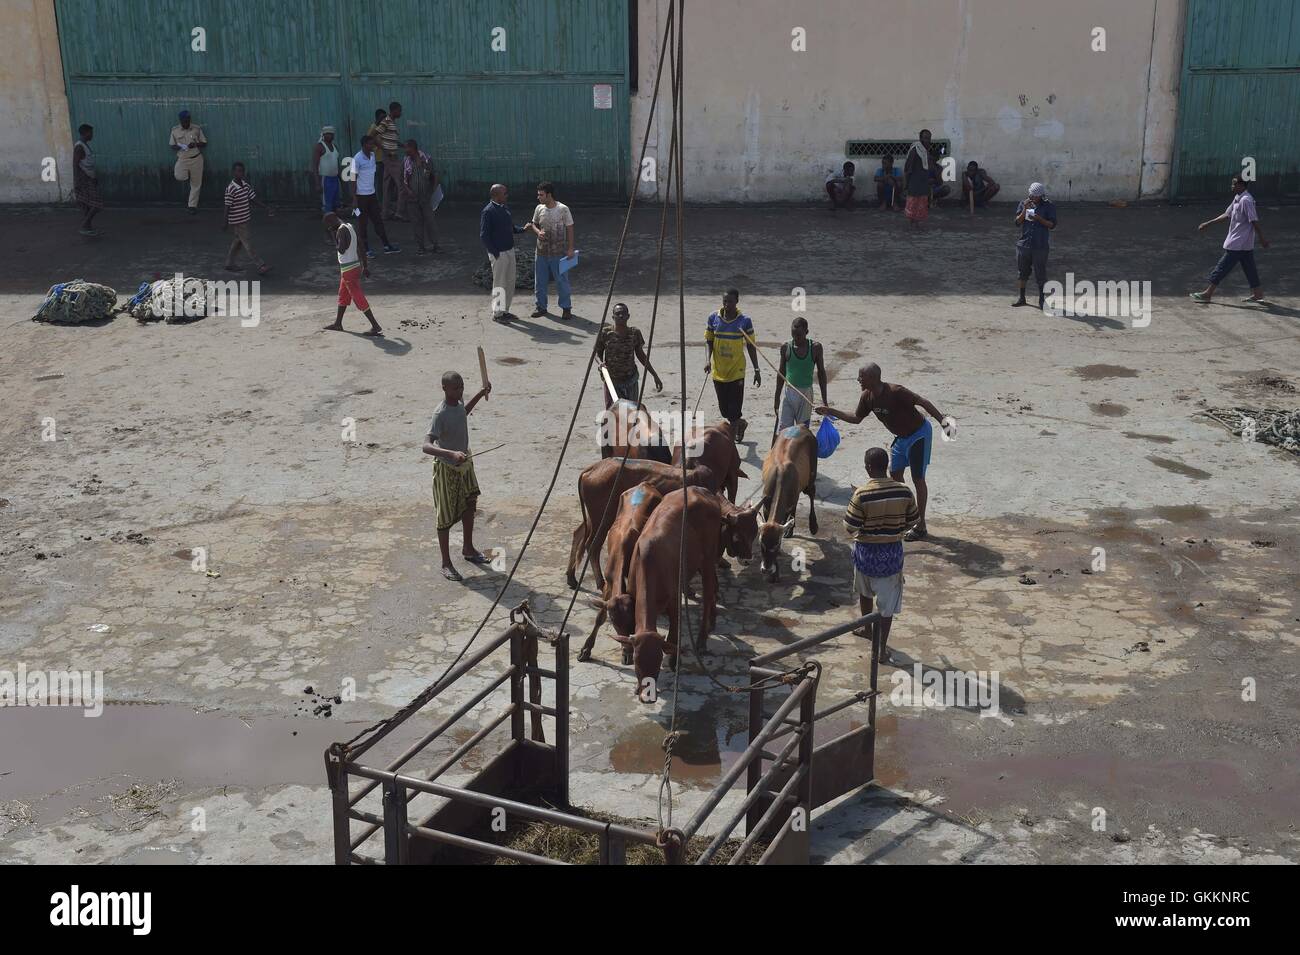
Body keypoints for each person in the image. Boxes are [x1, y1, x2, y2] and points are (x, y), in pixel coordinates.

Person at [816, 363, 948, 541]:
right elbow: (856, 419)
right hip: (900, 438)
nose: (858, 380)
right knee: (895, 474)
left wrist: (943, 422)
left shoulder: (896, 391)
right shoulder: (867, 397)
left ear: (872, 378)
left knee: (918, 478)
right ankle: (903, 515)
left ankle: (920, 524)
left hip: (918, 435)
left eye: (861, 377)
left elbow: (923, 402)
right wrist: (830, 411)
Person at [844, 447, 919, 665]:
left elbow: (850, 527)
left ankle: (867, 628)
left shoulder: (861, 494)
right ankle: (881, 650)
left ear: (868, 467)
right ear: (885, 466)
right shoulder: (904, 491)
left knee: (865, 593)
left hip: (866, 554)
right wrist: (895, 528)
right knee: (886, 608)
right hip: (892, 556)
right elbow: (913, 520)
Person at [423, 371, 493, 582]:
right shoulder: (440, 414)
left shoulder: (459, 402)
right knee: (444, 517)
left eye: (462, 386)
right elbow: (426, 445)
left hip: (465, 464)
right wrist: (450, 454)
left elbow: (463, 412)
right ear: (444, 389)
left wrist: (481, 393)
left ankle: (468, 548)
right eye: (455, 388)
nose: (460, 391)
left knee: (470, 503)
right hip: (447, 469)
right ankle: (446, 562)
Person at [1191, 175, 1270, 304]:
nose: (1232, 186)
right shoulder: (1237, 198)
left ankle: (1208, 293)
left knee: (1221, 267)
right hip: (1243, 244)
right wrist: (1208, 223)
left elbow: (1254, 221)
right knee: (1250, 269)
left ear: (1242, 186)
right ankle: (1258, 294)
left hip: (1238, 243)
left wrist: (1262, 238)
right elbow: (1227, 214)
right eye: (1232, 184)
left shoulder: (1246, 200)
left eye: (1234, 184)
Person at [705, 288, 760, 442]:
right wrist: (707, 360)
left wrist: (756, 369)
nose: (727, 304)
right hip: (718, 371)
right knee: (724, 411)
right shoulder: (713, 318)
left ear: (737, 301)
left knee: (734, 409)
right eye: (725, 301)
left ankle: (731, 437)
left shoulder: (744, 321)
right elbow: (708, 340)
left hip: (737, 371)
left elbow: (751, 346)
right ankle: (740, 424)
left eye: (730, 301)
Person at [321, 212, 382, 336]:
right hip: (354, 267)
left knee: (357, 296)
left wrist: (333, 237)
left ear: (332, 221)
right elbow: (361, 246)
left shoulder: (340, 231)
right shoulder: (350, 226)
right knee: (343, 295)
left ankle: (375, 325)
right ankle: (338, 323)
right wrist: (365, 266)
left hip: (348, 269)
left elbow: (341, 249)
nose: (328, 227)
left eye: (328, 225)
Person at [595, 303, 663, 408]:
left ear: (628, 316)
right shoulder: (605, 333)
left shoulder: (634, 333)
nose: (621, 316)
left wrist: (655, 375)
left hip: (630, 379)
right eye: (618, 314)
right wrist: (600, 364)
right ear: (613, 317)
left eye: (623, 313)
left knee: (631, 412)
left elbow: (641, 355)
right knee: (613, 413)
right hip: (611, 380)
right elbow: (597, 352)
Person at [480, 183, 530, 323]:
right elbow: (484, 235)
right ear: (496, 195)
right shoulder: (488, 211)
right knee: (500, 283)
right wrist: (494, 253)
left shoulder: (504, 208)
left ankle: (505, 311)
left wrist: (523, 229)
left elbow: (511, 227)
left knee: (509, 281)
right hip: (499, 253)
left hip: (509, 250)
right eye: (504, 193)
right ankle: (497, 314)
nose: (507, 195)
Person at [530, 181, 576, 319]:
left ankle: (566, 308)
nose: (538, 197)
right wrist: (538, 232)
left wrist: (570, 248)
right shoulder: (539, 208)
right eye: (538, 195)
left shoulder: (563, 209)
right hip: (541, 252)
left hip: (558, 252)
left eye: (541, 195)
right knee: (540, 282)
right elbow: (533, 224)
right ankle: (541, 307)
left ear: (549, 195)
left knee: (562, 281)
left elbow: (570, 228)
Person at [773, 317, 827, 431]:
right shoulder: (786, 347)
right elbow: (781, 373)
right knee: (783, 429)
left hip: (806, 394)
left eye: (799, 335)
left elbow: (821, 373)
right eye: (793, 334)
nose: (796, 338)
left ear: (806, 332)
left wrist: (824, 399)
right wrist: (777, 397)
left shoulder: (816, 348)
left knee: (801, 430)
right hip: (789, 393)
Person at [351, 135, 399, 258]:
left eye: (373, 144)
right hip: (361, 198)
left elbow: (380, 146)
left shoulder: (372, 156)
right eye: (370, 144)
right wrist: (354, 200)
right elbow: (353, 179)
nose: (373, 146)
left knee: (378, 221)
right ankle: (365, 250)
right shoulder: (357, 159)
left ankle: (387, 246)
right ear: (364, 145)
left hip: (371, 195)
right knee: (362, 224)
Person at [222, 162, 273, 275]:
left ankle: (229, 263)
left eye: (242, 171)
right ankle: (261, 265)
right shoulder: (231, 189)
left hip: (244, 218)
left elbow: (253, 198)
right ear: (233, 172)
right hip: (238, 221)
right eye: (238, 171)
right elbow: (227, 206)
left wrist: (266, 207)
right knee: (248, 243)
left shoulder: (245, 185)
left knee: (238, 242)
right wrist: (225, 222)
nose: (240, 173)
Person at [1013, 181, 1057, 308]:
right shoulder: (1024, 203)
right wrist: (1025, 209)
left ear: (1041, 195)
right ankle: (1021, 297)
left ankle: (1042, 300)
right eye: (1031, 195)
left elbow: (1052, 225)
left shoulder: (1048, 206)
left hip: (1040, 246)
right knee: (1022, 273)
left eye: (1035, 196)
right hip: (1024, 244)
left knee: (1040, 274)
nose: (1032, 198)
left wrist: (1039, 218)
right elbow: (1017, 222)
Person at [401, 139, 440, 254]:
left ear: (413, 148)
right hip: (412, 198)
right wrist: (408, 191)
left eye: (407, 148)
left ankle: (436, 245)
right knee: (416, 223)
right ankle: (421, 247)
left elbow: (435, 174)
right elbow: (402, 180)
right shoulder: (406, 162)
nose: (405, 150)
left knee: (430, 221)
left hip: (425, 197)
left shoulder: (426, 159)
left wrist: (433, 189)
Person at [169, 110, 207, 214]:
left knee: (196, 184)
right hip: (183, 159)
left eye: (188, 120)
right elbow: (172, 145)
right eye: (185, 120)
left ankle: (192, 206)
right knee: (179, 176)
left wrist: (195, 144)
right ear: (180, 120)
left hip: (196, 159)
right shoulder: (175, 130)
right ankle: (187, 176)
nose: (187, 122)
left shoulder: (196, 129)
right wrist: (180, 146)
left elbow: (204, 143)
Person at [377, 101, 406, 221]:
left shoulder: (391, 122)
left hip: (390, 157)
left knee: (387, 186)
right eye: (399, 110)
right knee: (402, 185)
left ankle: (384, 213)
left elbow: (390, 139)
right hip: (391, 158)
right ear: (394, 110)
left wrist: (401, 145)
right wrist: (385, 149)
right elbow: (374, 135)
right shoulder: (387, 121)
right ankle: (400, 213)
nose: (400, 113)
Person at [72, 123, 102, 237]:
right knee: (97, 204)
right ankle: (84, 226)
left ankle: (88, 228)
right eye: (91, 133)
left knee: (87, 204)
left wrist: (94, 177)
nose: (92, 135)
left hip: (89, 177)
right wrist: (76, 181)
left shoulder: (84, 145)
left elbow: (87, 163)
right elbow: (75, 165)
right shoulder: (79, 147)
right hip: (83, 178)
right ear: (85, 133)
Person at [903, 129, 933, 226]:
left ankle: (916, 225)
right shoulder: (915, 150)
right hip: (914, 183)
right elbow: (908, 168)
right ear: (920, 139)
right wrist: (906, 184)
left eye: (929, 138)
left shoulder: (925, 151)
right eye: (925, 138)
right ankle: (913, 225)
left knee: (921, 206)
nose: (928, 140)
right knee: (913, 206)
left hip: (923, 183)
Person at [312, 126, 342, 214]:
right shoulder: (319, 146)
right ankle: (327, 223)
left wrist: (340, 178)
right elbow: (315, 165)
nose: (330, 136)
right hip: (325, 179)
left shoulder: (335, 146)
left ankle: (335, 222)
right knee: (327, 204)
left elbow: (337, 163)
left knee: (336, 203)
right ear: (323, 135)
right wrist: (317, 183)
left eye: (332, 134)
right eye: (328, 134)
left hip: (335, 178)